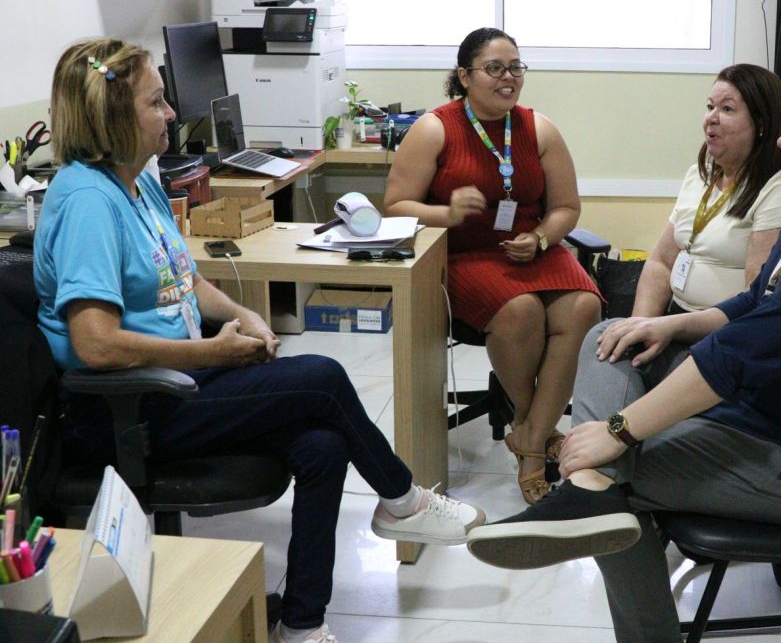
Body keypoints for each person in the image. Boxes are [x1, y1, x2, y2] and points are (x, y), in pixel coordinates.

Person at [466, 61, 781, 643]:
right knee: (607, 339)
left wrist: (619, 428)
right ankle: (592, 493)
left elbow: (740, 356)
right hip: (770, 419)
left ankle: (596, 505)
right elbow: (760, 303)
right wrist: (673, 327)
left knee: (614, 478)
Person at [34, 38, 485, 643]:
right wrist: (210, 353)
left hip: (182, 386)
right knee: (321, 376)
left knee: (323, 445)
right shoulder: (88, 200)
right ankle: (403, 501)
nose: (171, 115)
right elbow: (96, 345)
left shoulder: (136, 182)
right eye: (156, 103)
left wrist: (245, 317)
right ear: (112, 116)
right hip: (127, 405)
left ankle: (302, 624)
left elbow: (185, 278)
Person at [384, 27, 601, 505]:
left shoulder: (538, 127)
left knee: (584, 306)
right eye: (495, 68)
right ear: (465, 76)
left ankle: (527, 434)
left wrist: (542, 236)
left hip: (532, 248)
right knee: (520, 310)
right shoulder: (435, 128)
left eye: (516, 67)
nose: (508, 78)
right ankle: (534, 436)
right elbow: (395, 205)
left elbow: (566, 206)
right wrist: (446, 213)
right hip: (463, 254)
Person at [632, 63, 781, 317]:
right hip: (673, 317)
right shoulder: (698, 176)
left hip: (719, 333)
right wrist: (638, 326)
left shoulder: (778, 189)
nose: (712, 117)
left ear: (761, 124)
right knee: (601, 341)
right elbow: (661, 263)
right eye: (710, 106)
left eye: (727, 109)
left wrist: (668, 330)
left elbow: (753, 295)